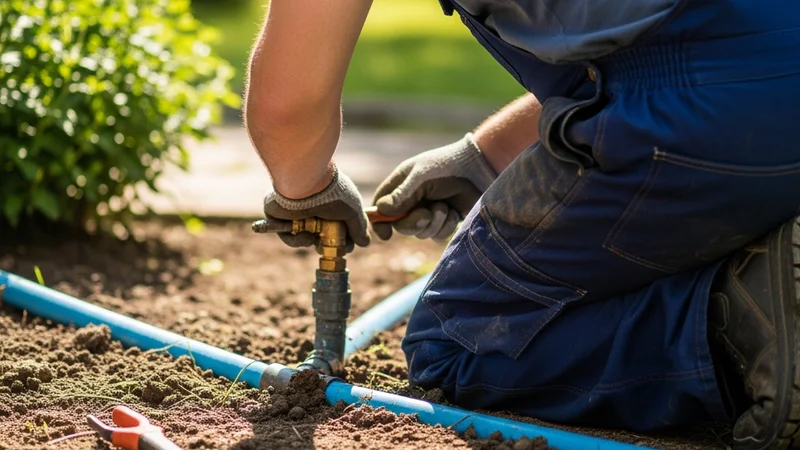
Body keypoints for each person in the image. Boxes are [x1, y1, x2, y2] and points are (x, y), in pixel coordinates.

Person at [243, 1, 800, 448]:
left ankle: (738, 324)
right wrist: (482, 155)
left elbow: (287, 105)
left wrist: (307, 189)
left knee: (459, 339)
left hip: (701, 111)